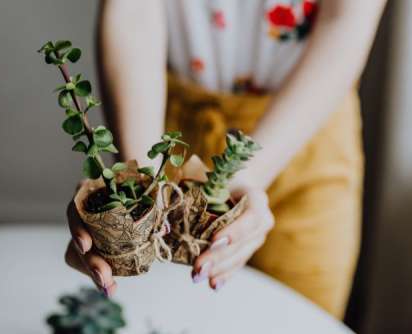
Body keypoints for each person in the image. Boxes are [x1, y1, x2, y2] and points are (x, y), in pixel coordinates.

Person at [65, 0, 386, 319]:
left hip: (307, 132)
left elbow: (345, 18)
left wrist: (249, 173)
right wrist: (141, 186)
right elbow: (134, 9)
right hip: (167, 133)